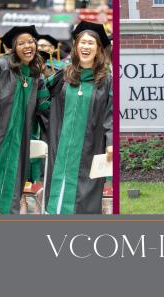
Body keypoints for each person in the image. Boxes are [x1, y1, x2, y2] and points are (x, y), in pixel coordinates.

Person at [44, 21, 113, 214]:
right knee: (56, 195)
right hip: (61, 146)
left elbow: (112, 113)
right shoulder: (63, 77)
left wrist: (111, 142)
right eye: (82, 42)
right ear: (75, 46)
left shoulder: (106, 81)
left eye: (91, 43)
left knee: (84, 196)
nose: (85, 46)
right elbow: (42, 103)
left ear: (99, 49)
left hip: (90, 147)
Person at [0, 25, 50, 214]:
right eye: (21, 43)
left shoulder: (35, 73)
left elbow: (44, 107)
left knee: (15, 182)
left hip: (21, 138)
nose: (28, 46)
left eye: (31, 41)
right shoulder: (0, 66)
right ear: (13, 48)